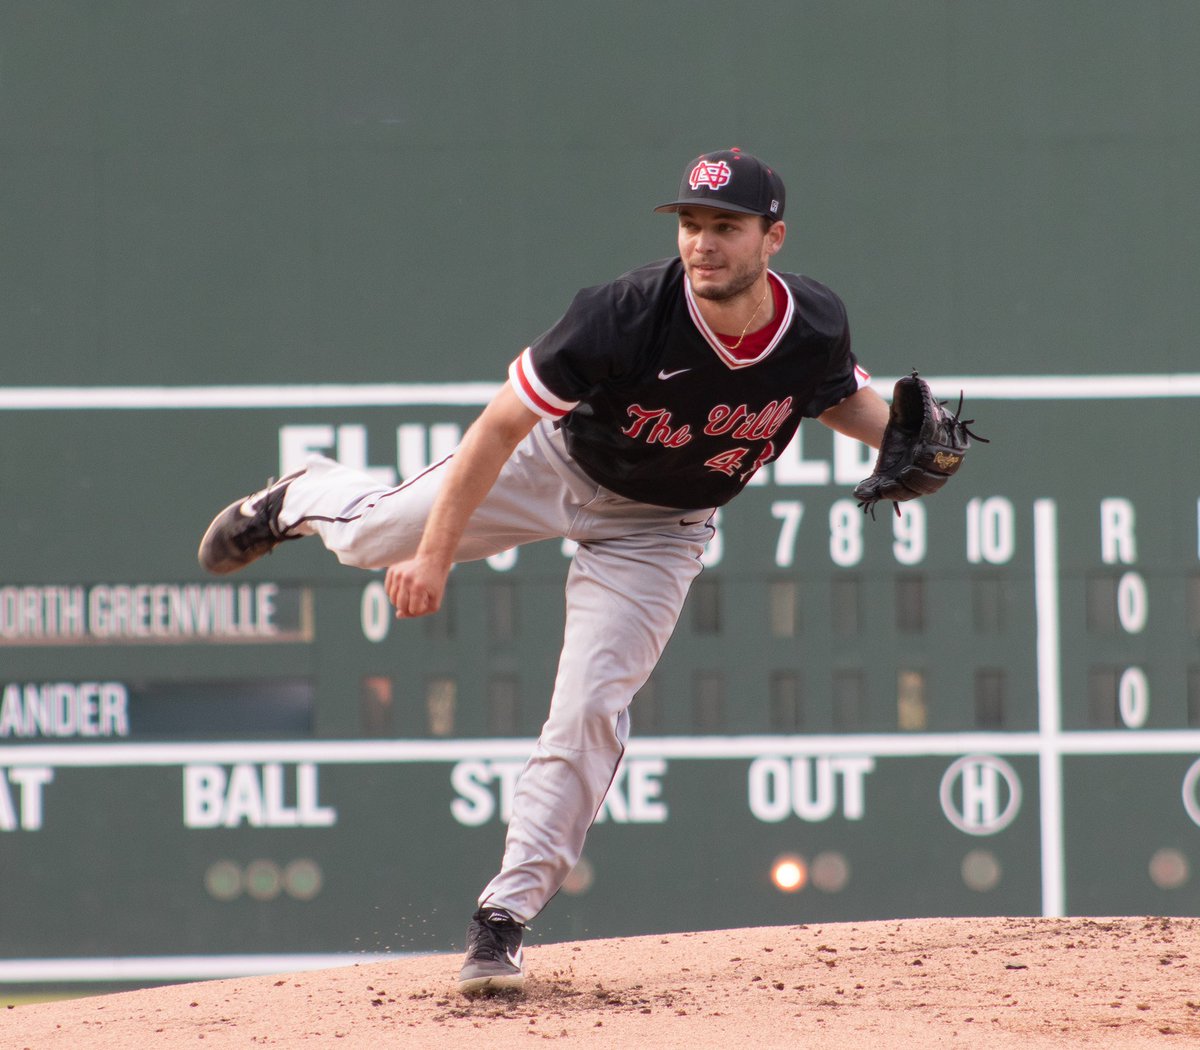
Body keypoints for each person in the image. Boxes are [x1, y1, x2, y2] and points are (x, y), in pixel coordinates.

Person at [198, 147, 893, 995]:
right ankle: (306, 492)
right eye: (690, 224)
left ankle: (500, 924)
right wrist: (437, 553)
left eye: (725, 227)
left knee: (592, 709)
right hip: (551, 467)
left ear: (772, 237)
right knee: (374, 534)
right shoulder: (624, 314)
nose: (702, 243)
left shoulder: (814, 323)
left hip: (662, 528)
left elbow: (839, 398)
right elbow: (495, 429)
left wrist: (912, 445)